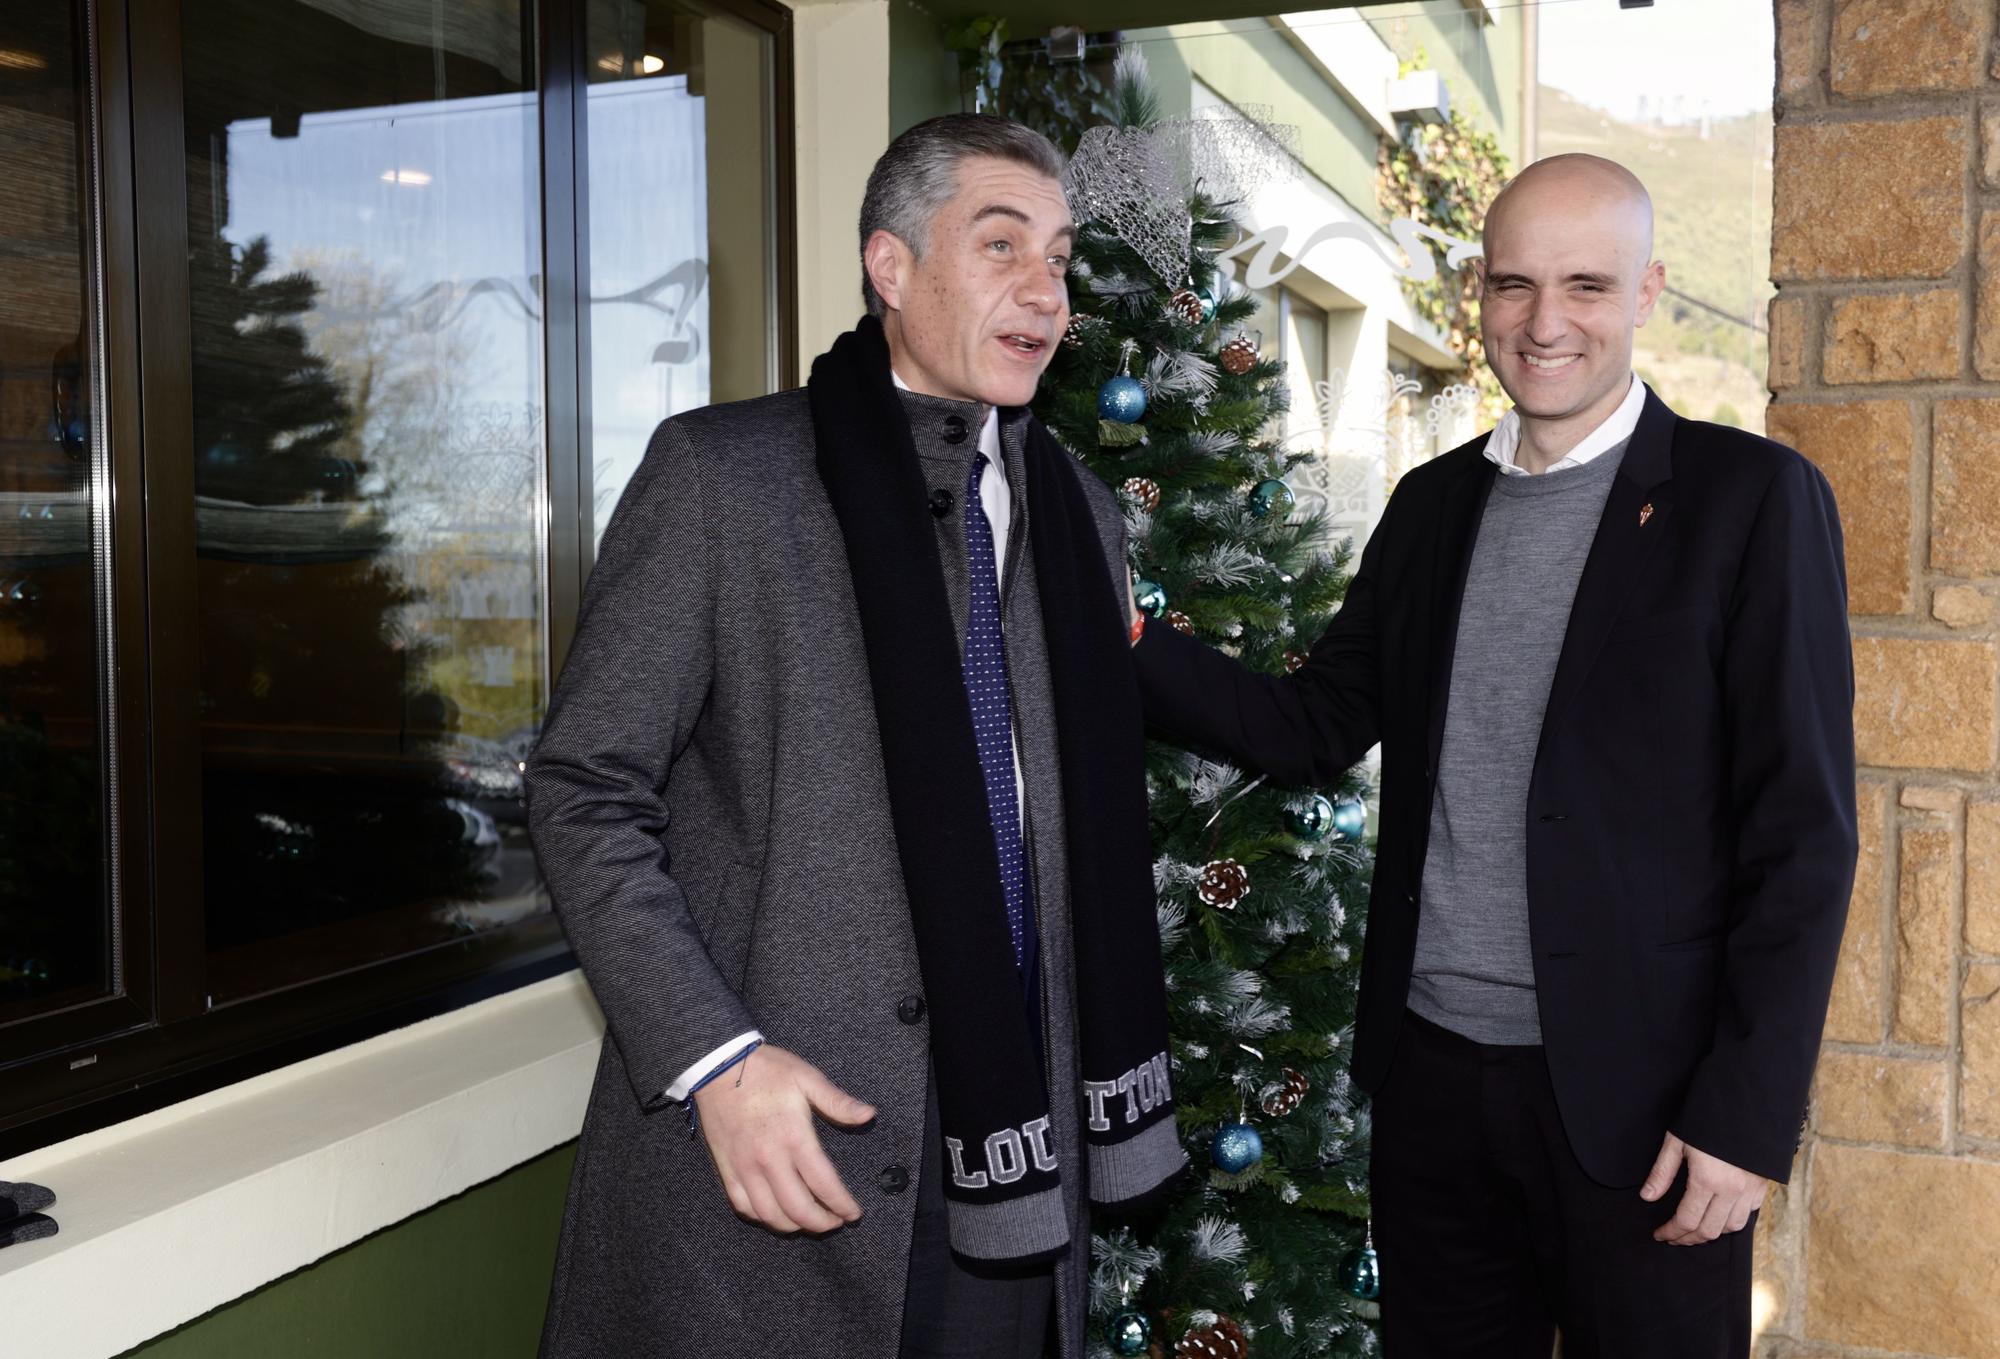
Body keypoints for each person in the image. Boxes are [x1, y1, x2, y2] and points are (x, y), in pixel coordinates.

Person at [1129, 154, 1857, 1357]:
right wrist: (1132, 641)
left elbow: (1801, 834)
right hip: (1431, 1088)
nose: (1543, 321)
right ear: (1477, 293)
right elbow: (1313, 723)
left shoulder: (1751, 502)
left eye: (1584, 284)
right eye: (1512, 285)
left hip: (1647, 1109)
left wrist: (1741, 1115)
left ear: (1646, 292)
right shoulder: (1426, 509)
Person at [525, 113, 1183, 1359]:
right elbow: (581, 787)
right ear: (891, 266)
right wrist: (716, 1062)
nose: (1042, 289)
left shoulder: (1081, 514)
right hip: (782, 1147)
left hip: (1019, 1156)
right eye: (1000, 246)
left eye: (1058, 256)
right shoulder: (724, 478)